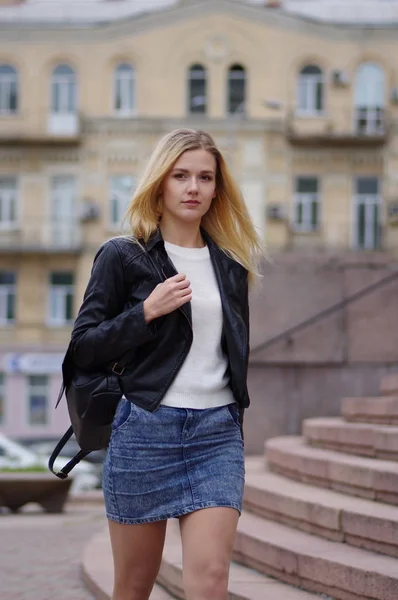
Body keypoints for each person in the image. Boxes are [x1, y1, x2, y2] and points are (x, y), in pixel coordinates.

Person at [69, 129, 262, 600]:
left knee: (212, 579)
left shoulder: (231, 266)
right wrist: (144, 313)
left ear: (218, 189)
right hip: (144, 432)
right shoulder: (123, 256)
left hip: (216, 435)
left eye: (205, 177)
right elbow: (82, 349)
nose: (193, 187)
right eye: (180, 175)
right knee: (134, 586)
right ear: (160, 183)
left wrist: (236, 413)